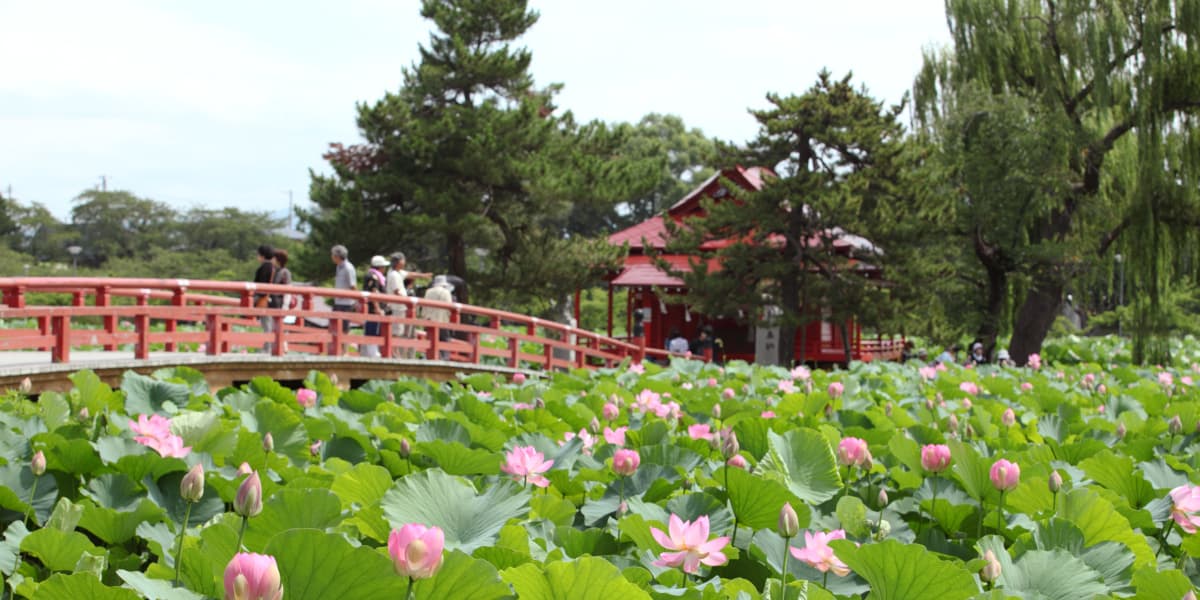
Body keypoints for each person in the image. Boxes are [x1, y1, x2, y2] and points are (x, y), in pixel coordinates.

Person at [361, 255, 389, 358]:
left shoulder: (375, 276)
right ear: (380, 267)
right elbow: (373, 292)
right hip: (373, 309)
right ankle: (372, 353)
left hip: (374, 308)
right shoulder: (373, 276)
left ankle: (371, 352)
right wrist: (377, 308)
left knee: (374, 330)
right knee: (372, 330)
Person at [421, 275, 455, 360]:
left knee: (430, 341)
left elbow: (424, 307)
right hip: (442, 320)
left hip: (429, 320)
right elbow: (449, 306)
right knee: (444, 340)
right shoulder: (446, 292)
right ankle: (444, 359)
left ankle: (429, 358)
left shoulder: (428, 292)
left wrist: (424, 318)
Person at [265, 248, 292, 353]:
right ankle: (277, 346)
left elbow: (288, 289)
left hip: (280, 302)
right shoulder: (274, 270)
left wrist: (286, 304)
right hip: (273, 301)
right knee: (273, 325)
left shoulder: (285, 272)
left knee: (279, 324)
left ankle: (283, 346)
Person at [253, 244, 276, 351]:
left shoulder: (265, 267)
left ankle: (268, 348)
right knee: (268, 324)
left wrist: (255, 297)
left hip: (264, 298)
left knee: (266, 324)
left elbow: (261, 284)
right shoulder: (272, 266)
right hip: (270, 298)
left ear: (262, 255)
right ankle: (268, 347)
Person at [330, 245, 357, 335]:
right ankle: (336, 348)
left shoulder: (348, 268)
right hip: (338, 302)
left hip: (346, 303)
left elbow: (353, 286)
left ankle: (344, 348)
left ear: (337, 256)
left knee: (344, 329)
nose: (332, 257)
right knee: (334, 327)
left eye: (333, 255)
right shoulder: (338, 267)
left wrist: (355, 301)